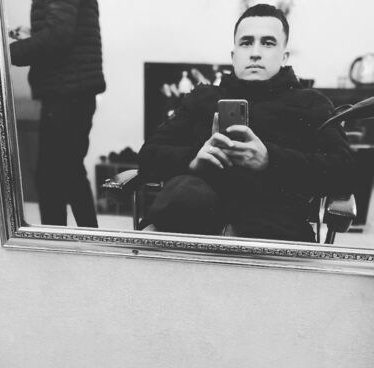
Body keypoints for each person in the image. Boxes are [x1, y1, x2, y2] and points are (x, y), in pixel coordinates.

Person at [138, 4, 355, 242]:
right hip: (192, 220)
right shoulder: (202, 98)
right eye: (246, 42)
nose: (255, 53)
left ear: (284, 56)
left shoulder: (311, 103)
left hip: (271, 229)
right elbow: (148, 155)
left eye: (268, 43)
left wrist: (270, 159)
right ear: (234, 56)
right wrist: (193, 160)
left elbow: (345, 171)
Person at [10, 0, 106, 227]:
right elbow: (64, 31)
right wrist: (33, 35)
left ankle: (57, 245)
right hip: (74, 91)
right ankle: (89, 237)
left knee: (50, 178)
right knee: (70, 173)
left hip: (66, 94)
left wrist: (2, 53)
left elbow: (57, 37)